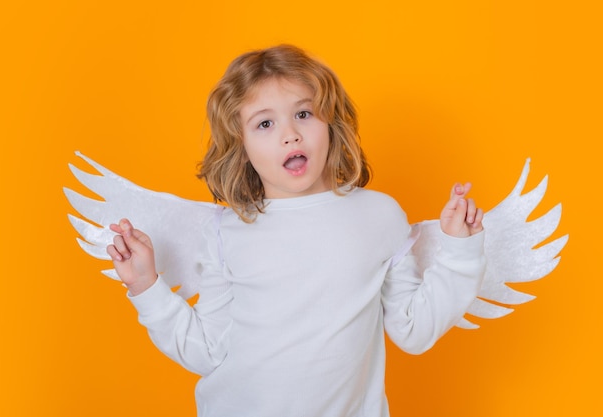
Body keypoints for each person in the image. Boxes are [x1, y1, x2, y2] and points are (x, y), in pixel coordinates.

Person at [106, 44, 485, 417]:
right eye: (265, 124)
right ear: (243, 147)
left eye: (304, 113)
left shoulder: (379, 215)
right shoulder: (225, 232)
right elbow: (206, 351)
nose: (290, 134)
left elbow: (414, 331)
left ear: (331, 124)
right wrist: (146, 287)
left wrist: (459, 249)